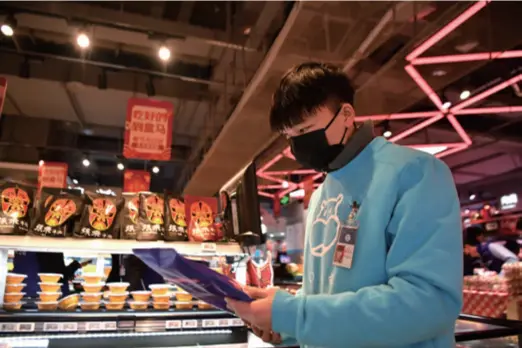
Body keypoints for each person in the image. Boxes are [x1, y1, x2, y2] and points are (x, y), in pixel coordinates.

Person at [225, 62, 463, 348]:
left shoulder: (415, 173)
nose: (298, 145)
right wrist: (284, 323)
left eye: (306, 129)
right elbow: (328, 293)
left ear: (347, 114)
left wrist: (295, 316)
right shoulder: (323, 193)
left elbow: (429, 302)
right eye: (290, 136)